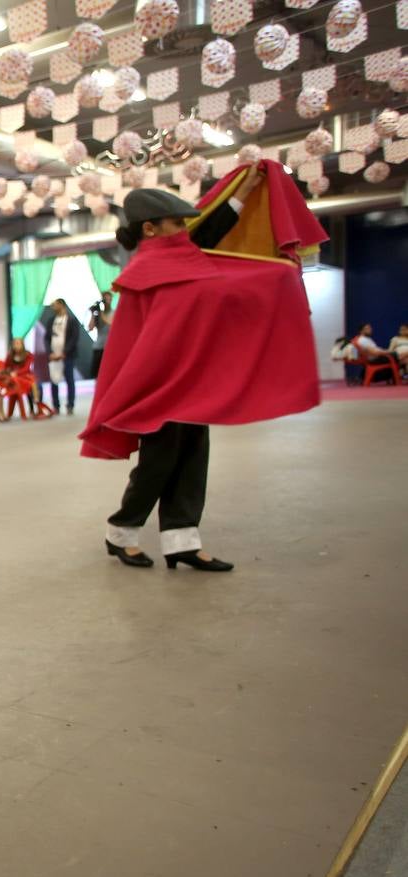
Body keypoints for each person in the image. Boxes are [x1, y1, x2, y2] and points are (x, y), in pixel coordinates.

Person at [82, 162, 323, 573]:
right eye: (176, 223)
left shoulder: (185, 258)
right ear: (150, 230)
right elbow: (142, 342)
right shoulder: (147, 270)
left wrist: (245, 190)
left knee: (194, 456)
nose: (184, 229)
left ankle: (182, 542)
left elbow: (213, 232)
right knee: (158, 462)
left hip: (190, 379)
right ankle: (120, 531)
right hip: (158, 385)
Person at [42, 299, 80, 415]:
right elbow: (47, 338)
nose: (53, 307)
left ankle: (70, 405)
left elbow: (74, 337)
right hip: (53, 355)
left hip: (67, 355)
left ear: (62, 305)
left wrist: (65, 352)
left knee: (69, 380)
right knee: (54, 380)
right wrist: (50, 353)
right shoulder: (51, 320)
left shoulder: (72, 320)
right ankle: (56, 406)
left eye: (55, 305)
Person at [0, 338, 34, 421]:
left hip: (24, 377)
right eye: (15, 343)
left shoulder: (28, 355)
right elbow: (6, 367)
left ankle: (32, 409)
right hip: (12, 378)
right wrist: (7, 372)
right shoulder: (10, 355)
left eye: (18, 343)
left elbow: (26, 368)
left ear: (22, 345)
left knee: (30, 387)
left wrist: (16, 373)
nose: (16, 345)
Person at [89, 291, 114, 378]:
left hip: (110, 347)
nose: (107, 301)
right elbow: (90, 327)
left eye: (108, 299)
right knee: (97, 374)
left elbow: (111, 324)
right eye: (105, 299)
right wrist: (93, 314)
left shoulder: (114, 313)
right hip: (98, 346)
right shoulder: (99, 314)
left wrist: (101, 314)